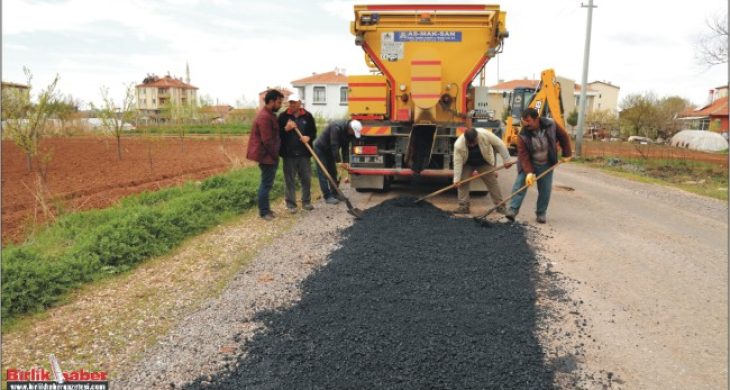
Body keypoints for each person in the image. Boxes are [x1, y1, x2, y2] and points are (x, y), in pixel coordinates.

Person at [505, 107, 572, 223]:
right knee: (519, 185)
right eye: (524, 121)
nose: (526, 124)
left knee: (545, 189)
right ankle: (512, 210)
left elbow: (564, 137)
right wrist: (529, 173)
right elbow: (523, 156)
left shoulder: (551, 124)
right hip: (528, 162)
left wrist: (567, 154)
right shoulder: (523, 135)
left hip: (546, 163)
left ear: (537, 119)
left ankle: (541, 213)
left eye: (528, 121)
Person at [452, 126, 513, 214]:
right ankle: (463, 207)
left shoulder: (484, 134)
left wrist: (507, 160)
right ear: (465, 139)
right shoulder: (458, 145)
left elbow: (499, 144)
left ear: (477, 137)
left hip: (484, 162)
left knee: (492, 182)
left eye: (474, 142)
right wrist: (456, 179)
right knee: (462, 182)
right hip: (467, 163)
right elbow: (457, 162)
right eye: (470, 143)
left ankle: (500, 207)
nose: (472, 145)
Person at [246, 89, 284, 221]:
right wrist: (275, 156)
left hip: (269, 156)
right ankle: (263, 212)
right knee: (266, 184)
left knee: (267, 183)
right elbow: (267, 141)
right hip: (267, 156)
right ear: (272, 101)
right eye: (279, 102)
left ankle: (266, 209)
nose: (280, 105)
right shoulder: (264, 117)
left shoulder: (270, 115)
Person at [278, 93, 317, 213]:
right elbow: (277, 133)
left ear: (300, 103)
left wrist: (308, 138)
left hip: (304, 154)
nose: (292, 105)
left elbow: (313, 132)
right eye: (291, 102)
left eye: (294, 102)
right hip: (288, 154)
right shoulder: (283, 117)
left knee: (306, 179)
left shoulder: (308, 116)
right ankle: (291, 204)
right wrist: (286, 129)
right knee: (289, 180)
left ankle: (306, 202)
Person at [313, 119, 362, 204]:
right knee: (323, 173)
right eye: (354, 132)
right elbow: (334, 145)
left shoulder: (349, 134)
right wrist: (339, 162)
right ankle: (327, 196)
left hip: (330, 150)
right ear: (350, 128)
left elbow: (345, 148)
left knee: (333, 172)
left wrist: (346, 162)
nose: (354, 135)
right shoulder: (335, 127)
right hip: (320, 149)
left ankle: (335, 193)